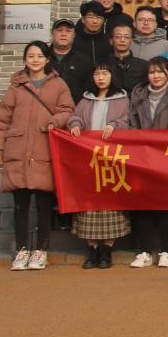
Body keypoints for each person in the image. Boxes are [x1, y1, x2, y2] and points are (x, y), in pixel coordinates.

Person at [0, 40, 74, 271]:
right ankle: (21, 250)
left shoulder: (58, 84)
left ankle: (41, 250)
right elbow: (2, 120)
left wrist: (55, 121)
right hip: (18, 150)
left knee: (44, 204)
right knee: (20, 205)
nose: (35, 60)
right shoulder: (15, 87)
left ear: (47, 59)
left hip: (44, 149)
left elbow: (67, 110)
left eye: (39, 56)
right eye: (31, 56)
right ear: (25, 60)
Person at [66, 61, 129, 270]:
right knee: (89, 204)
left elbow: (128, 121)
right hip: (89, 159)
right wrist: (75, 124)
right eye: (97, 74)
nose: (101, 78)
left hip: (112, 159)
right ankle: (92, 249)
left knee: (111, 204)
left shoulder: (122, 99)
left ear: (112, 76)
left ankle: (107, 249)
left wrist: (115, 125)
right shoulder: (86, 99)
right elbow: (75, 117)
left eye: (105, 73)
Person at [128, 56, 168, 268]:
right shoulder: (138, 94)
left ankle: (165, 251)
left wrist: (160, 144)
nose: (156, 76)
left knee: (166, 203)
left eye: (160, 72)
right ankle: (144, 251)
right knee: (142, 204)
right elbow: (132, 123)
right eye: (152, 72)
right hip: (142, 156)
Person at [48, 17, 90, 102]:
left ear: (74, 35)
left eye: (68, 31)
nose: (63, 34)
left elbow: (90, 91)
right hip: (45, 108)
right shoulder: (42, 58)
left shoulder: (84, 60)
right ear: (52, 33)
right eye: (59, 30)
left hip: (75, 108)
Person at [106, 21, 149, 94]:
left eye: (126, 37)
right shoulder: (103, 66)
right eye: (118, 37)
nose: (122, 40)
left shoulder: (144, 66)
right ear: (111, 41)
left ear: (131, 41)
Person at [73, 1, 111, 66]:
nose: (95, 21)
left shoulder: (109, 42)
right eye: (90, 17)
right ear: (83, 19)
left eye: (98, 17)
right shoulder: (73, 41)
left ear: (103, 20)